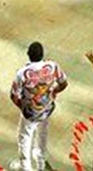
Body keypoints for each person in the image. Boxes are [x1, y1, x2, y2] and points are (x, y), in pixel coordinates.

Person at [10, 41, 68, 171]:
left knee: (25, 138)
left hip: (30, 113)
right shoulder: (53, 66)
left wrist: (24, 108)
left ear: (28, 54)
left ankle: (26, 167)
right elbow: (64, 83)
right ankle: (40, 164)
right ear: (42, 54)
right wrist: (54, 92)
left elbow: (14, 96)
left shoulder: (22, 73)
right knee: (42, 134)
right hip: (47, 109)